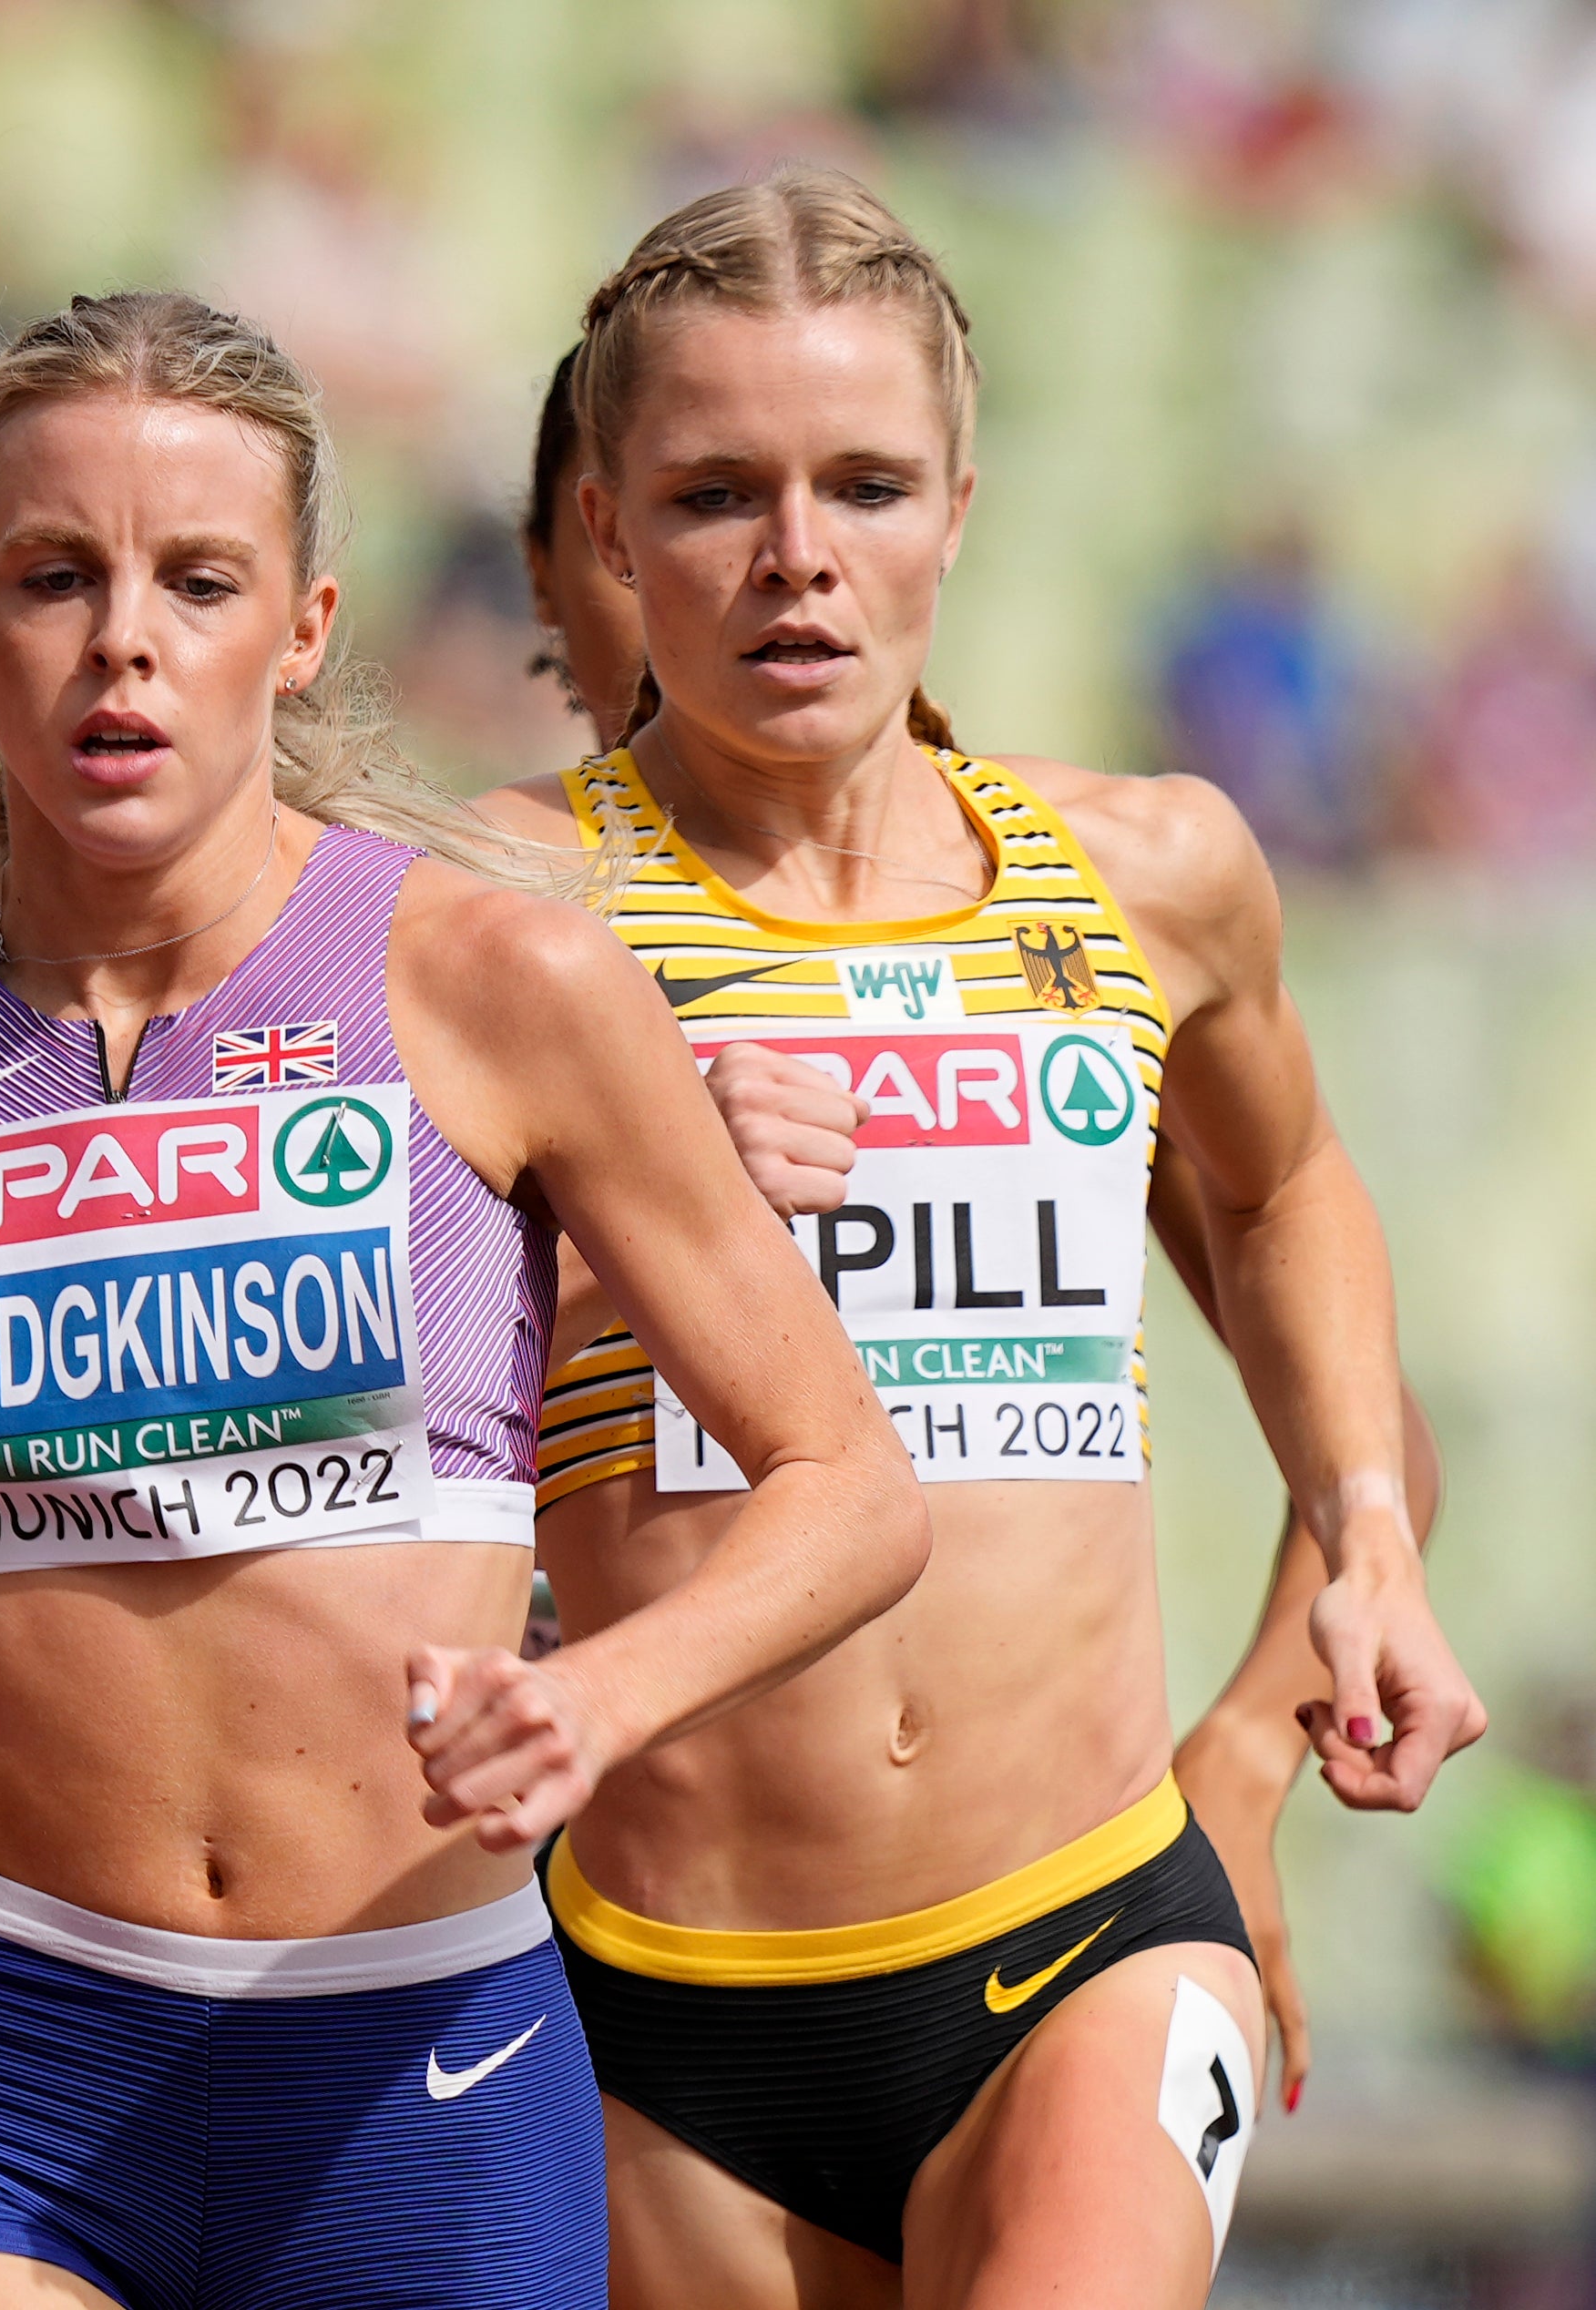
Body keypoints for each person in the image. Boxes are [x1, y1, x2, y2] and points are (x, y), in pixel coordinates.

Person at [0, 287, 931, 2310]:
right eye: (53, 577)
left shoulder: (497, 987)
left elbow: (847, 1485)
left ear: (304, 624)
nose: (122, 645)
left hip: (416, 2058)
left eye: (196, 582)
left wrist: (591, 1698)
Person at [466, 169, 1483, 2306]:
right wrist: (632, 1189)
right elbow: (327, 1361)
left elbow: (1289, 1195)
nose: (796, 557)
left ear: (960, 505)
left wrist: (1348, 1565)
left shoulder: (1154, 870)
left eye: (865, 482)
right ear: (607, 528)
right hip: (648, 1992)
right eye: (715, 490)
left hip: (1085, 1929)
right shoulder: (479, 913)